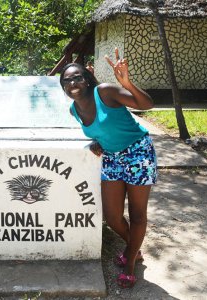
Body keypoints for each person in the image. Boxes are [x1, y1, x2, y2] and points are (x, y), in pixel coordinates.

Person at [59, 48, 157, 288]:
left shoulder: (105, 92)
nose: (73, 82)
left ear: (88, 79)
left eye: (78, 77)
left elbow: (147, 104)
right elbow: (99, 130)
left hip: (138, 152)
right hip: (112, 157)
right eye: (67, 80)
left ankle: (130, 261)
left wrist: (127, 83)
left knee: (137, 215)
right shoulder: (74, 110)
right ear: (63, 87)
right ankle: (134, 247)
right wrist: (96, 141)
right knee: (112, 217)